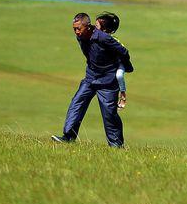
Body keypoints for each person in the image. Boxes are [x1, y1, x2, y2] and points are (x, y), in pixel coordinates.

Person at [52, 12, 133, 147]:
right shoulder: (81, 37)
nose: (76, 32)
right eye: (74, 29)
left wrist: (126, 68)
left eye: (78, 29)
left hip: (107, 82)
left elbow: (124, 52)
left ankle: (117, 147)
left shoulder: (104, 38)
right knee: (76, 104)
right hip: (90, 78)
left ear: (88, 26)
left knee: (109, 114)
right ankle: (68, 137)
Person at [95, 12, 128, 109]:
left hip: (119, 64)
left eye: (96, 25)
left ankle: (122, 94)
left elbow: (123, 53)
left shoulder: (112, 41)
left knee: (119, 75)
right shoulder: (96, 38)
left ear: (104, 29)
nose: (94, 27)